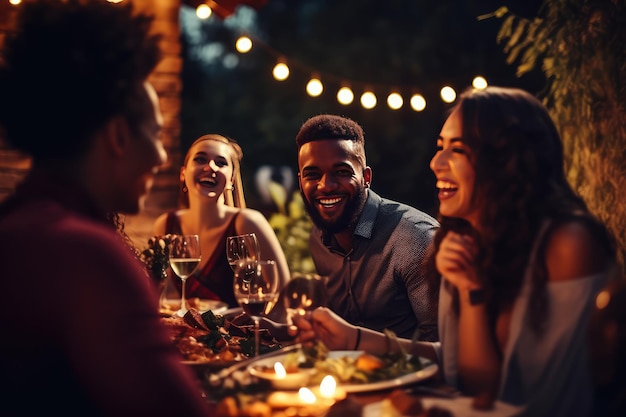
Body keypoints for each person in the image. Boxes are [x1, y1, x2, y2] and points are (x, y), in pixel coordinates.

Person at [295, 87, 617, 417]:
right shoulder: (462, 242)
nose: (436, 163)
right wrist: (470, 292)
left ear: (506, 160)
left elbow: (553, 403)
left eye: (457, 150)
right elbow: (470, 377)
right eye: (439, 148)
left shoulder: (568, 244)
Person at [0, 1, 211, 416]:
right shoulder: (85, 252)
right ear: (117, 136)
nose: (162, 157)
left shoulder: (15, 225)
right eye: (156, 134)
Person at [295, 114, 440, 341]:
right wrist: (279, 330)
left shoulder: (415, 238)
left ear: (366, 177)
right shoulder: (319, 240)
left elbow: (447, 348)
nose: (326, 186)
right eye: (312, 175)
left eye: (341, 172)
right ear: (300, 183)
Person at [153, 134, 290, 308]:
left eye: (221, 162)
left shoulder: (247, 222)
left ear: (231, 179)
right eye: (200, 159)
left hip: (235, 333)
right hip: (185, 333)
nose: (210, 167)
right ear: (183, 173)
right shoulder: (165, 225)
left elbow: (284, 294)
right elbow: (164, 297)